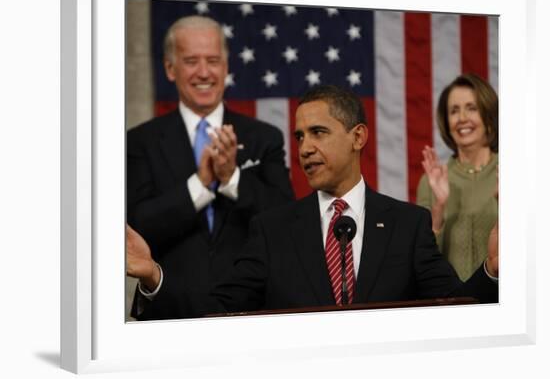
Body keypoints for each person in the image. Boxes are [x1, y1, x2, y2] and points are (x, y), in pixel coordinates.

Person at [127, 85, 498, 319]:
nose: (305, 148)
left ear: (358, 137)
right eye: (300, 136)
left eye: (318, 133)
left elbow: (455, 308)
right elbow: (216, 310)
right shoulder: (272, 230)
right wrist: (153, 276)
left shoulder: (407, 224)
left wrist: (493, 269)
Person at [127, 15, 294, 319]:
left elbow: (285, 221)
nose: (204, 72)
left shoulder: (265, 137)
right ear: (169, 68)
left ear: (226, 67)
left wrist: (232, 178)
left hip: (251, 311)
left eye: (213, 60)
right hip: (168, 309)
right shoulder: (140, 141)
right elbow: (137, 226)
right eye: (191, 61)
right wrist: (201, 183)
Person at [416, 74, 498, 281]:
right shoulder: (431, 181)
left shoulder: (515, 171)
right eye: (454, 111)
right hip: (451, 302)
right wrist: (438, 210)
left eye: (471, 108)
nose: (462, 118)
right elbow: (421, 260)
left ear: (488, 114)